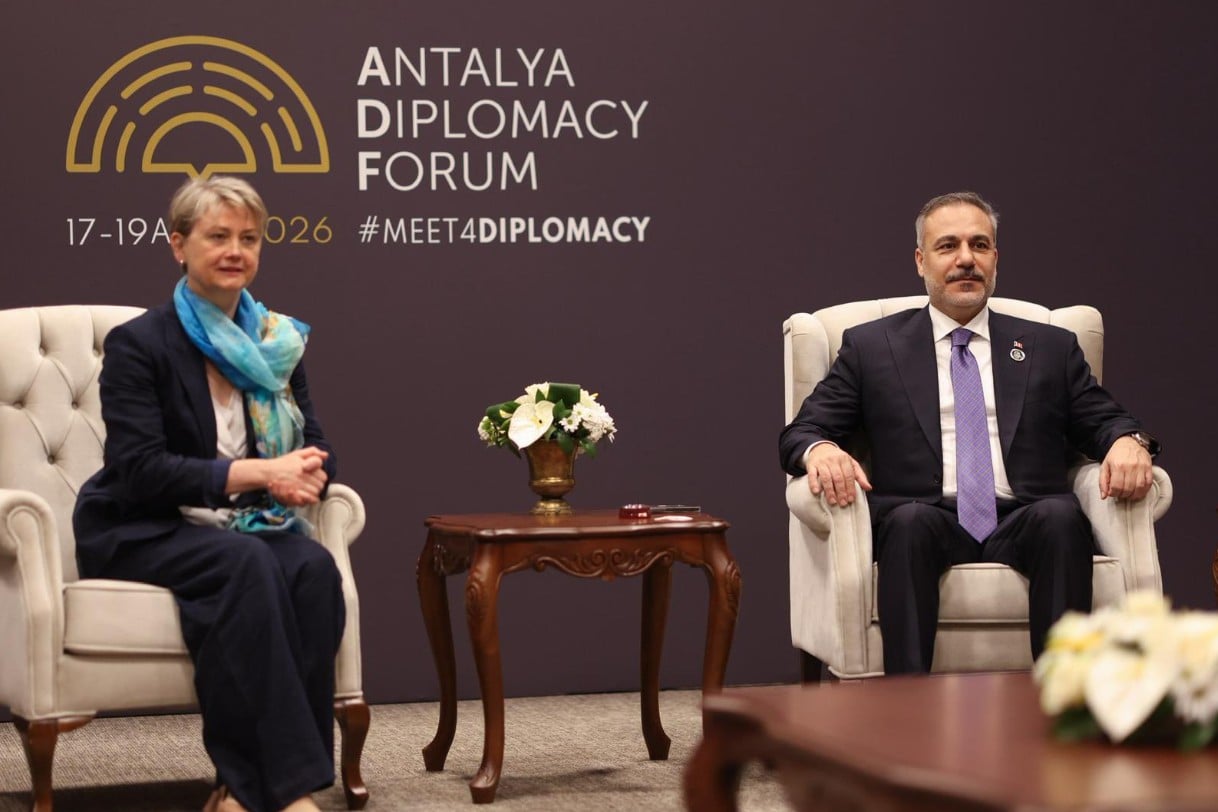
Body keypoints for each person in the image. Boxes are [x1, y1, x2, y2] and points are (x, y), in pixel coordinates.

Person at [778, 191, 1159, 674]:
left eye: (979, 245)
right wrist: (820, 450)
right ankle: (907, 704)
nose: (965, 259)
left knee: (1062, 519)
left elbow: (1104, 419)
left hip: (1024, 515)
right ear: (921, 261)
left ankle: (1062, 698)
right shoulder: (872, 348)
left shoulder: (1050, 346)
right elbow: (803, 430)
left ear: (995, 257)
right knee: (909, 524)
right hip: (925, 516)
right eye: (948, 246)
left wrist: (1129, 442)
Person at [73, 176, 344, 812]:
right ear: (179, 245)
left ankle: (245, 791)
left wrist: (309, 473)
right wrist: (262, 474)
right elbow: (140, 470)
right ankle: (280, 793)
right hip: (143, 525)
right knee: (245, 564)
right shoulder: (141, 344)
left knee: (311, 568)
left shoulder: (278, 342)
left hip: (241, 525)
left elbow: (316, 444)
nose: (235, 251)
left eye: (248, 239)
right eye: (218, 236)